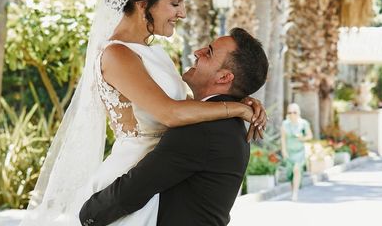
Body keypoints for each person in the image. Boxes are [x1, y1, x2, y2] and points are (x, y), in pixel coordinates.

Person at [21, 0, 267, 226]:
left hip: (157, 180)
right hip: (130, 180)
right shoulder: (116, 54)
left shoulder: (156, 54)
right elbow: (170, 113)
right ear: (143, 5)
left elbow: (187, 109)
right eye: (175, 3)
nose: (182, 13)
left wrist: (242, 98)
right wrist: (238, 108)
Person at [79, 27, 269, 226]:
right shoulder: (226, 122)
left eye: (209, 52)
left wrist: (86, 215)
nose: (198, 52)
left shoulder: (202, 129)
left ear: (223, 78)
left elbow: (135, 189)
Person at [281, 102, 313, 201]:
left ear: (298, 113)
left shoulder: (304, 123)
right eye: (290, 112)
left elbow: (310, 136)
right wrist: (284, 151)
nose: (292, 114)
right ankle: (294, 188)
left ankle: (295, 193)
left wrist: (302, 138)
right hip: (289, 152)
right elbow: (283, 139)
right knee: (290, 174)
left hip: (299, 152)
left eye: (294, 112)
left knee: (297, 170)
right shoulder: (285, 124)